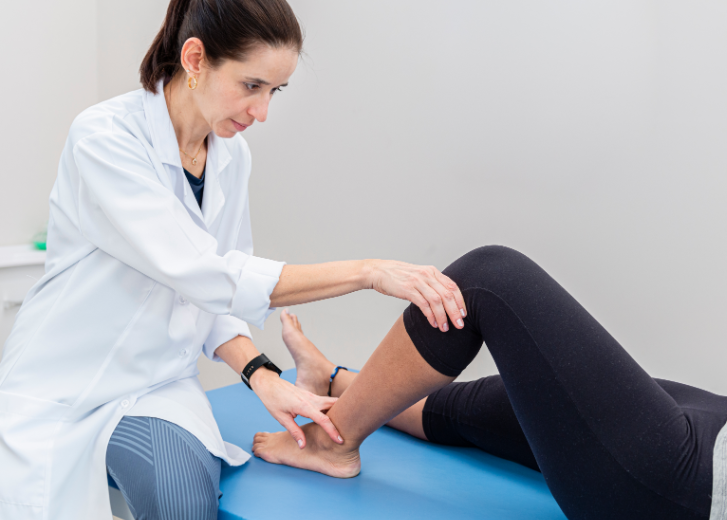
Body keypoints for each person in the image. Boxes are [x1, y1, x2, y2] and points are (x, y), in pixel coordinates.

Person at [0, 1, 470, 519]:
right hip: (63, 385)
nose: (261, 112)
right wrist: (368, 272)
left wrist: (263, 376)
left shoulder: (230, 156)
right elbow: (209, 275)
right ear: (195, 59)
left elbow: (216, 301)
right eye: (251, 85)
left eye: (275, 91)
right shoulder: (105, 137)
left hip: (156, 390)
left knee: (183, 504)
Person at [253, 245, 727, 520]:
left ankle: (332, 443)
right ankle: (333, 382)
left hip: (706, 488)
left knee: (485, 283)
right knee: (498, 406)